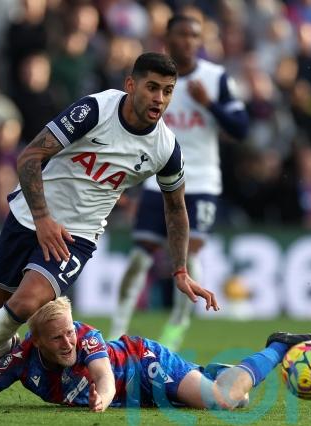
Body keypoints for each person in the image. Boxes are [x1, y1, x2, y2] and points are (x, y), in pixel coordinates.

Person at [0, 52, 219, 409]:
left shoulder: (166, 148)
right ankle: (0, 365)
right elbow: (30, 157)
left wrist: (180, 269)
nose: (159, 99)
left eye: (167, 91)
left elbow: (175, 208)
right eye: (152, 88)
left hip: (76, 237)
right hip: (29, 215)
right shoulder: (95, 111)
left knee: (24, 304)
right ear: (131, 85)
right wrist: (42, 219)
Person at [0, 296, 311, 411]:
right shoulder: (20, 360)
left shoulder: (86, 338)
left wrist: (103, 397)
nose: (69, 342)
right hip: (139, 398)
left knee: (226, 400)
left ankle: (279, 345)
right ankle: (208, 371)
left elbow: (103, 375)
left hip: (145, 366)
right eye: (58, 339)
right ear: (36, 341)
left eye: (69, 333)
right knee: (236, 395)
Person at [109, 15, 248, 349]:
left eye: (194, 35)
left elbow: (241, 128)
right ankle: (116, 330)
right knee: (140, 256)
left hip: (200, 182)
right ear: (167, 37)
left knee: (187, 254)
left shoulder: (215, 78)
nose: (188, 41)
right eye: (182, 34)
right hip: (155, 179)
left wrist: (209, 104)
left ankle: (176, 328)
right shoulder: (150, 78)